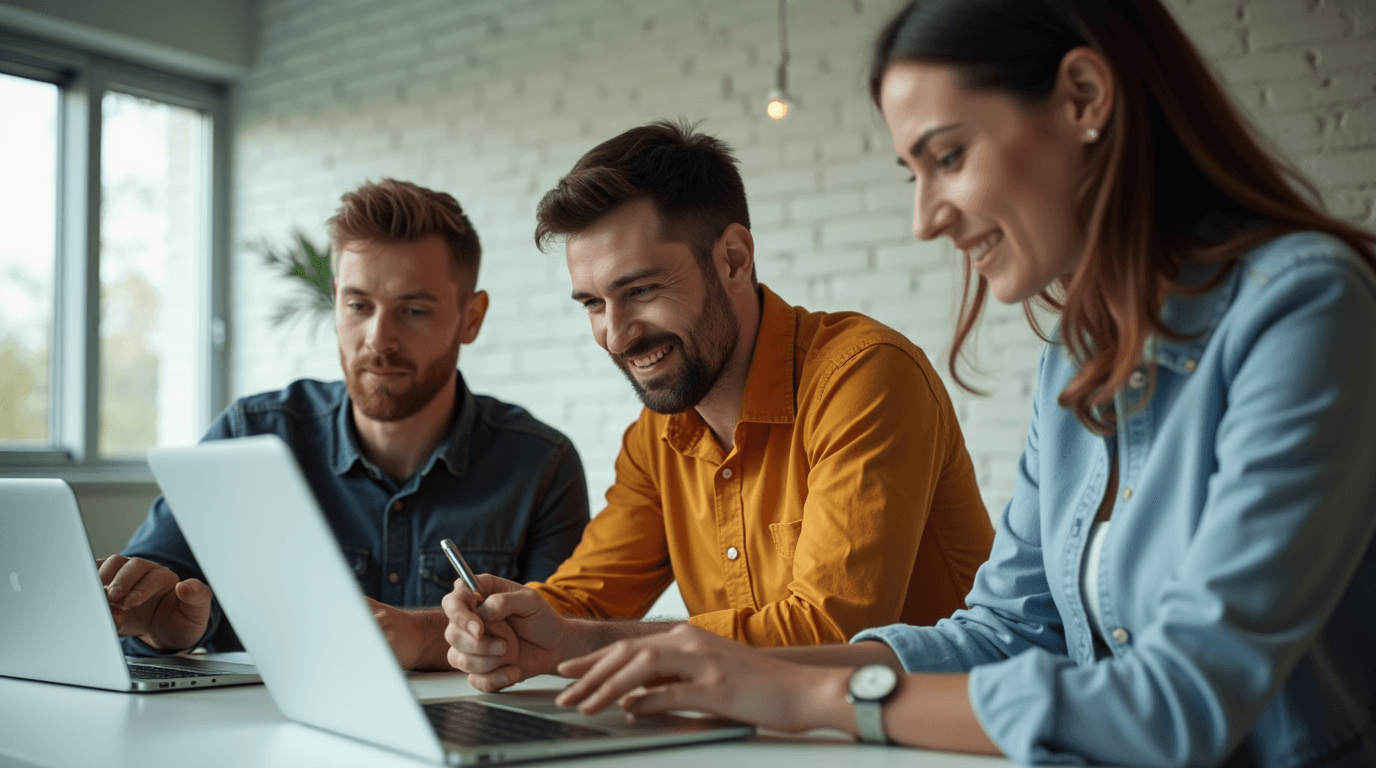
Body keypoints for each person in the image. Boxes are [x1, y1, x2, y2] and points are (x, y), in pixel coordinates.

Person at [547, 2, 1376, 766]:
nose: (926, 220)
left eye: (948, 156)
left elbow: (1179, 701)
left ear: (1085, 98)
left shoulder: (1306, 305)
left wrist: (800, 693)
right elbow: (1006, 631)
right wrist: (728, 669)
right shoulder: (1077, 354)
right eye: (915, 172)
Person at [442, 120, 995, 690]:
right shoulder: (657, 436)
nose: (616, 336)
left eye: (640, 291)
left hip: (935, 728)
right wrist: (492, 625)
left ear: (733, 259)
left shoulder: (864, 377)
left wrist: (576, 640)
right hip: (763, 727)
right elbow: (580, 604)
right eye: (593, 304)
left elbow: (832, 634)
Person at [98, 179, 590, 670]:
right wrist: (160, 629)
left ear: (471, 318)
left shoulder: (540, 466)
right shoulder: (249, 436)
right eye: (358, 306)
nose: (378, 339)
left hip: (464, 719)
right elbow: (151, 604)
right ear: (336, 301)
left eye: (413, 310)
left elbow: (558, 645)